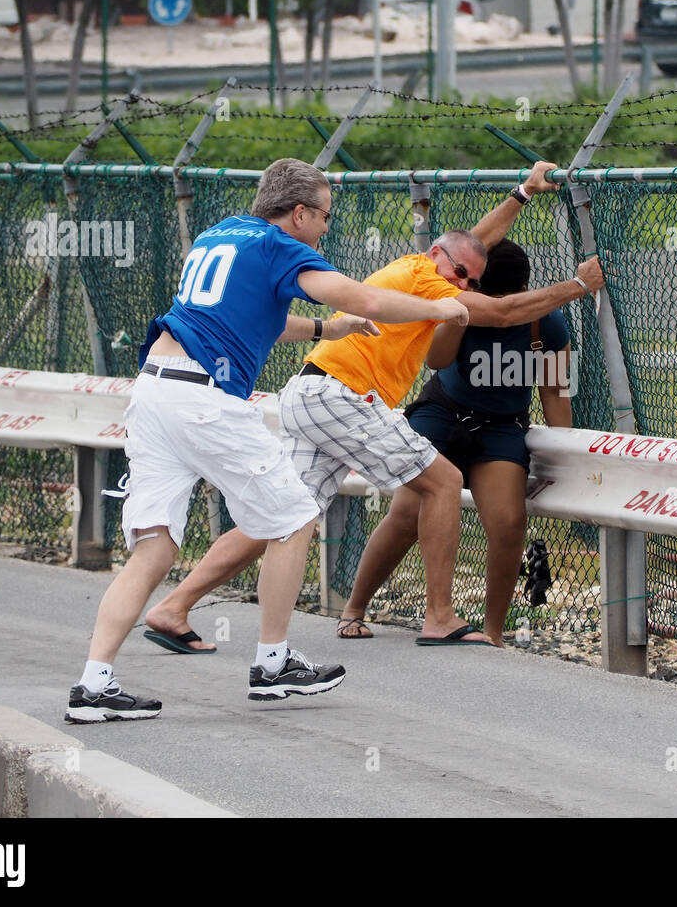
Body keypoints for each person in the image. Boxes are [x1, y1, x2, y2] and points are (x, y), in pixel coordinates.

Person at [64, 157, 469, 723]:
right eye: (324, 215)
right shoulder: (282, 247)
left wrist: (328, 330)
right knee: (296, 515)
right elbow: (367, 300)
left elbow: (258, 320)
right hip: (204, 399)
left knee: (154, 547)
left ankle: (94, 684)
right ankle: (273, 664)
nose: (326, 226)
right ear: (299, 212)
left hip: (154, 391)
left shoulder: (220, 233)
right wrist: (440, 306)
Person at [143, 161, 604, 649]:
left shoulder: (423, 267)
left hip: (310, 393)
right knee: (443, 481)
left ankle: (173, 606)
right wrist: (579, 287)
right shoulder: (429, 280)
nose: (464, 288)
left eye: (471, 281)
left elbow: (472, 246)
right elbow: (505, 308)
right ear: (437, 257)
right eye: (462, 277)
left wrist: (524, 193)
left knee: (279, 516)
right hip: (339, 395)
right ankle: (440, 617)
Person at [339, 239, 572, 647]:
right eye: (482, 292)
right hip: (444, 413)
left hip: (501, 425)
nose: (496, 303)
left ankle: (493, 631)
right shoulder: (460, 308)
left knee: (508, 522)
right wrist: (457, 314)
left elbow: (554, 391)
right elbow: (437, 361)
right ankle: (354, 608)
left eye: (505, 296)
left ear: (522, 291)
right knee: (408, 510)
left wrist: (565, 454)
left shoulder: (544, 324)